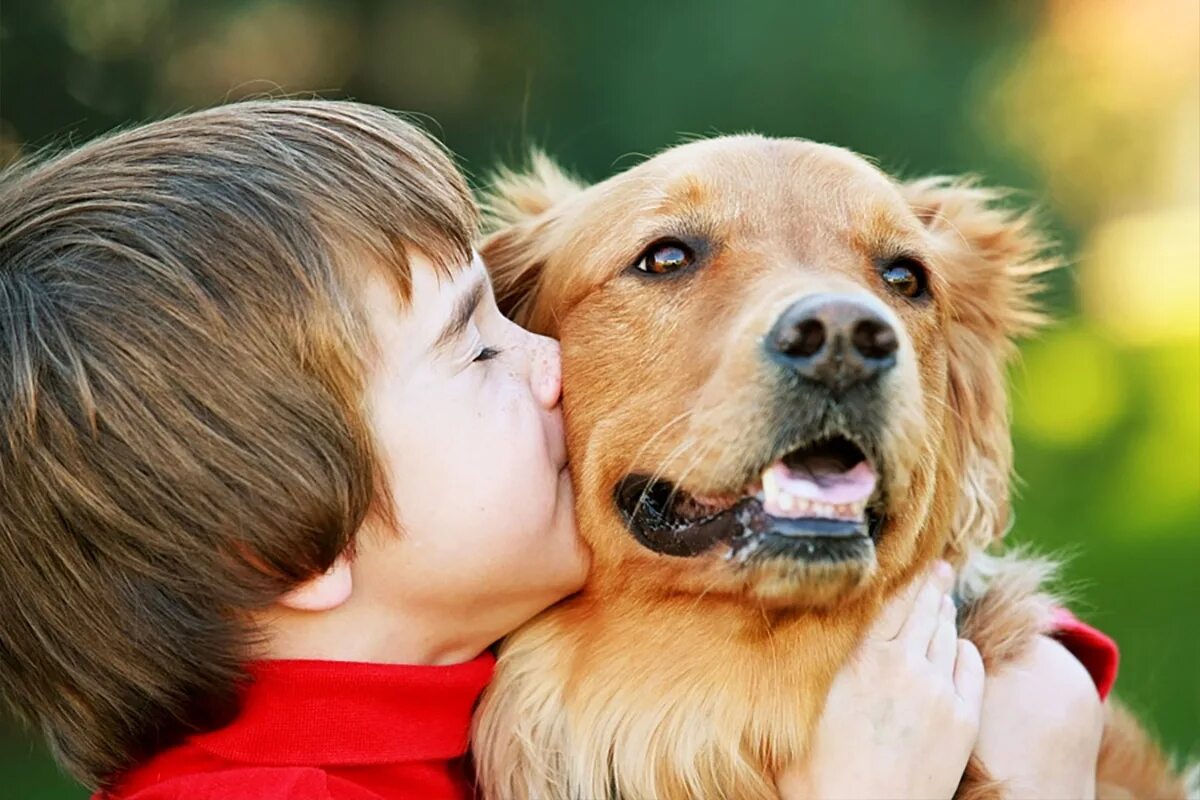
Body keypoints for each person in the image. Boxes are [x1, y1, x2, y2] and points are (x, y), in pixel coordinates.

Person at [0, 100, 1110, 800]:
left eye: (899, 283)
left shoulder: (451, 700)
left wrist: (1041, 675)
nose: (548, 366)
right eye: (477, 350)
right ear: (289, 539)